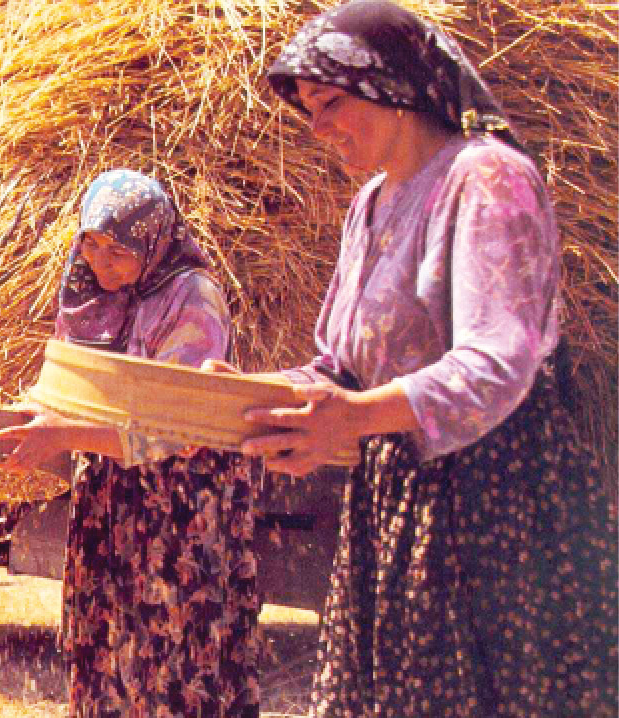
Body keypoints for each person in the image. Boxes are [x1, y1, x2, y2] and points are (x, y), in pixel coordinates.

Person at [210, 1, 618, 716]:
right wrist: (243, 393)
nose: (318, 127)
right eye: (310, 110)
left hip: (496, 502)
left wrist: (359, 416)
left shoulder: (486, 178)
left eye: (332, 102)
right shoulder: (371, 204)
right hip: (396, 497)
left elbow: (498, 361)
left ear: (395, 87)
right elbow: (342, 368)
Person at [0, 169, 263, 717]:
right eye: (91, 245)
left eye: (117, 251)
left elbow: (178, 426)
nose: (100, 262)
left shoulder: (192, 296)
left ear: (153, 242)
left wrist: (63, 434)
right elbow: (67, 383)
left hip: (180, 512)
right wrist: (33, 412)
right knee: (108, 658)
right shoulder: (89, 294)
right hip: (112, 504)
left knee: (175, 665)